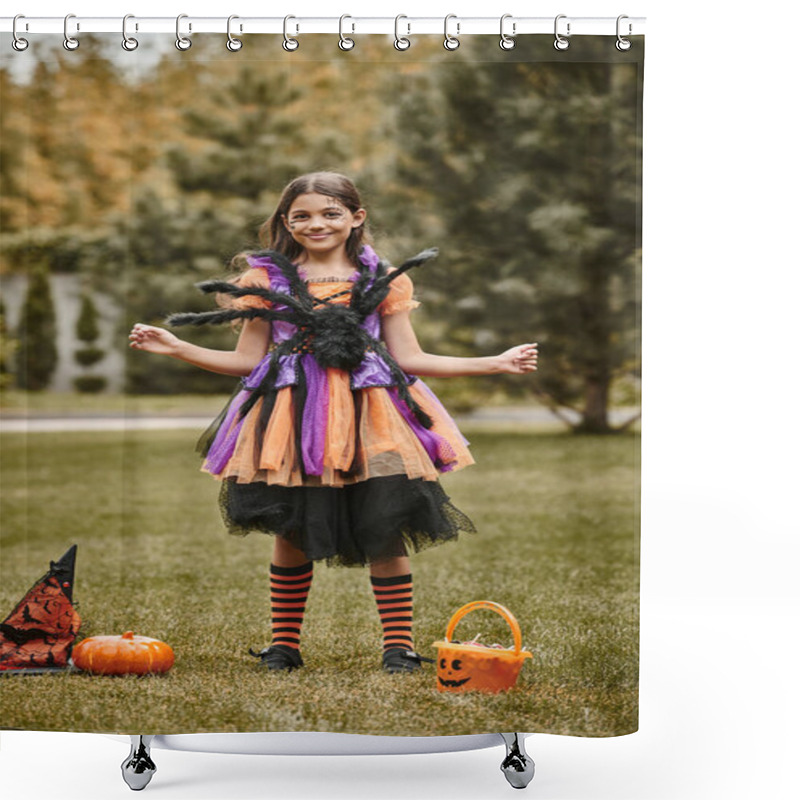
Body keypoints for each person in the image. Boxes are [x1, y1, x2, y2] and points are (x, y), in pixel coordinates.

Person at [129, 171, 537, 674]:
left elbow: (409, 355)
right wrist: (177, 347)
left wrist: (492, 362)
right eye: (301, 215)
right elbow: (245, 361)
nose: (315, 223)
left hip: (372, 412)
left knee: (385, 519)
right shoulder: (267, 281)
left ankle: (398, 647)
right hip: (290, 413)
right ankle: (283, 645)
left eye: (330, 213)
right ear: (285, 221)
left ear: (355, 217)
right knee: (292, 524)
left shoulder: (380, 278)